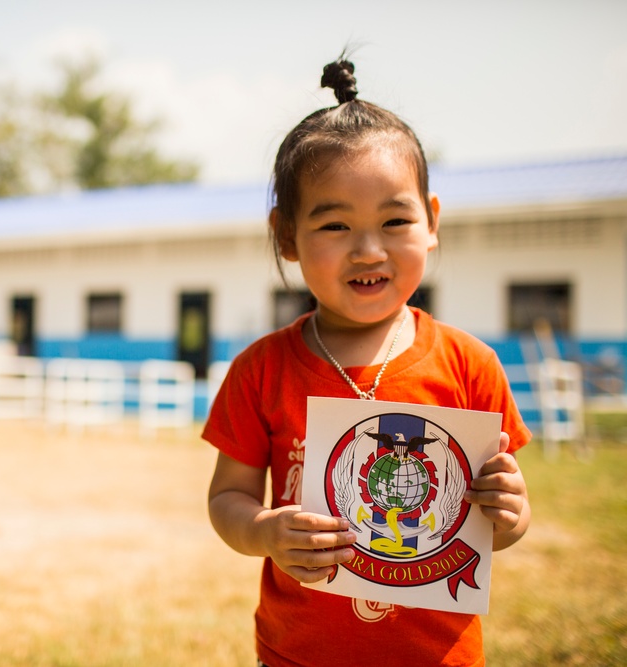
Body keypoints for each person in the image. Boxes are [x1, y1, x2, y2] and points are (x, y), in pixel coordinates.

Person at [203, 55, 531, 667]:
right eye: (334, 224)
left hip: (439, 656)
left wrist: (512, 513)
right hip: (297, 651)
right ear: (286, 236)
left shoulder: (469, 365)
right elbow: (228, 498)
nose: (368, 248)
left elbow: (499, 519)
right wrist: (263, 533)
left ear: (431, 222)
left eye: (395, 220)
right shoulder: (261, 370)